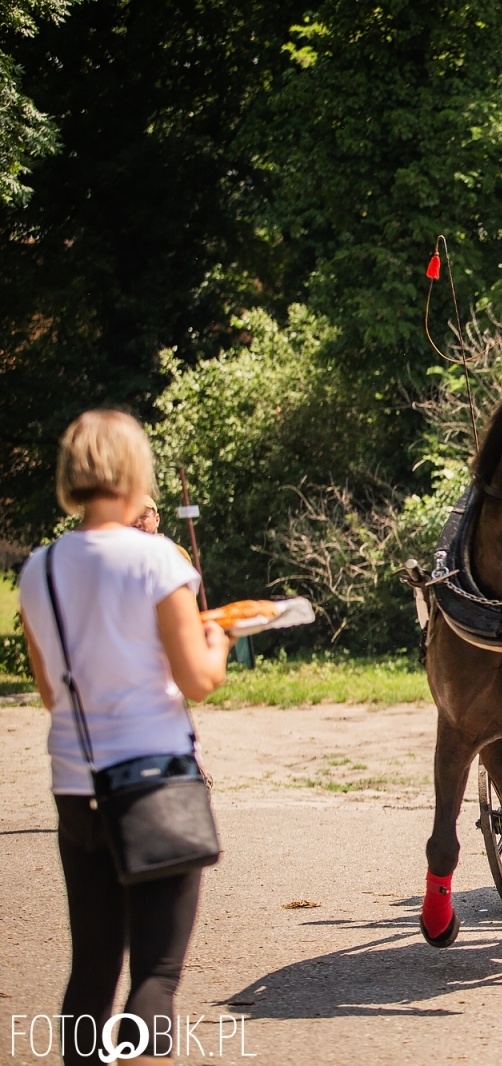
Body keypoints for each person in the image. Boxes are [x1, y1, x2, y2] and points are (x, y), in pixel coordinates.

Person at [18, 410, 231, 1066]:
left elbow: (51, 693)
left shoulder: (39, 570)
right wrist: (218, 642)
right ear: (134, 470)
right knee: (155, 978)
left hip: (76, 786)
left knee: (91, 970)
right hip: (155, 782)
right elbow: (197, 681)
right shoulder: (156, 559)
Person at [132, 494, 193, 563]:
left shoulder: (177, 554)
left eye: (143, 517)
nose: (137, 523)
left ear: (157, 520)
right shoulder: (125, 557)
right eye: (132, 517)